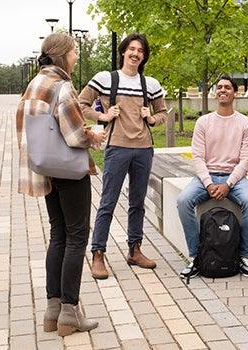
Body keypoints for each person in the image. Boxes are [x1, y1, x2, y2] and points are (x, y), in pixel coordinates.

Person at [16, 33, 104, 336]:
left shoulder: (34, 83)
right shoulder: (62, 86)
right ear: (62, 54)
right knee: (77, 237)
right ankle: (70, 312)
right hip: (69, 170)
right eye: (75, 51)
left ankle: (52, 310)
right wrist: (94, 135)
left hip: (45, 168)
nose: (77, 56)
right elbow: (75, 135)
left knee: (58, 235)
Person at [78, 33, 169, 279]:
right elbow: (81, 104)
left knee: (137, 203)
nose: (135, 53)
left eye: (140, 50)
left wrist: (151, 118)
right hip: (117, 147)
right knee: (108, 202)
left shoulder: (150, 84)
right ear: (123, 52)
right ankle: (98, 253)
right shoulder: (105, 79)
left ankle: (134, 249)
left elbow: (163, 113)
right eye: (131, 48)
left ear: (144, 56)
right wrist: (103, 117)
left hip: (144, 149)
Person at [177, 76, 248, 279]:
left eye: (227, 87)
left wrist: (229, 184)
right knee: (183, 200)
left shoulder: (246, 124)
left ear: (235, 93)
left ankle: (243, 257)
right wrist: (208, 183)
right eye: (219, 87)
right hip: (207, 176)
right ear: (215, 93)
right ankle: (196, 257)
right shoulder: (203, 122)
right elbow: (198, 157)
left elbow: (245, 160)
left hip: (235, 179)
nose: (223, 90)